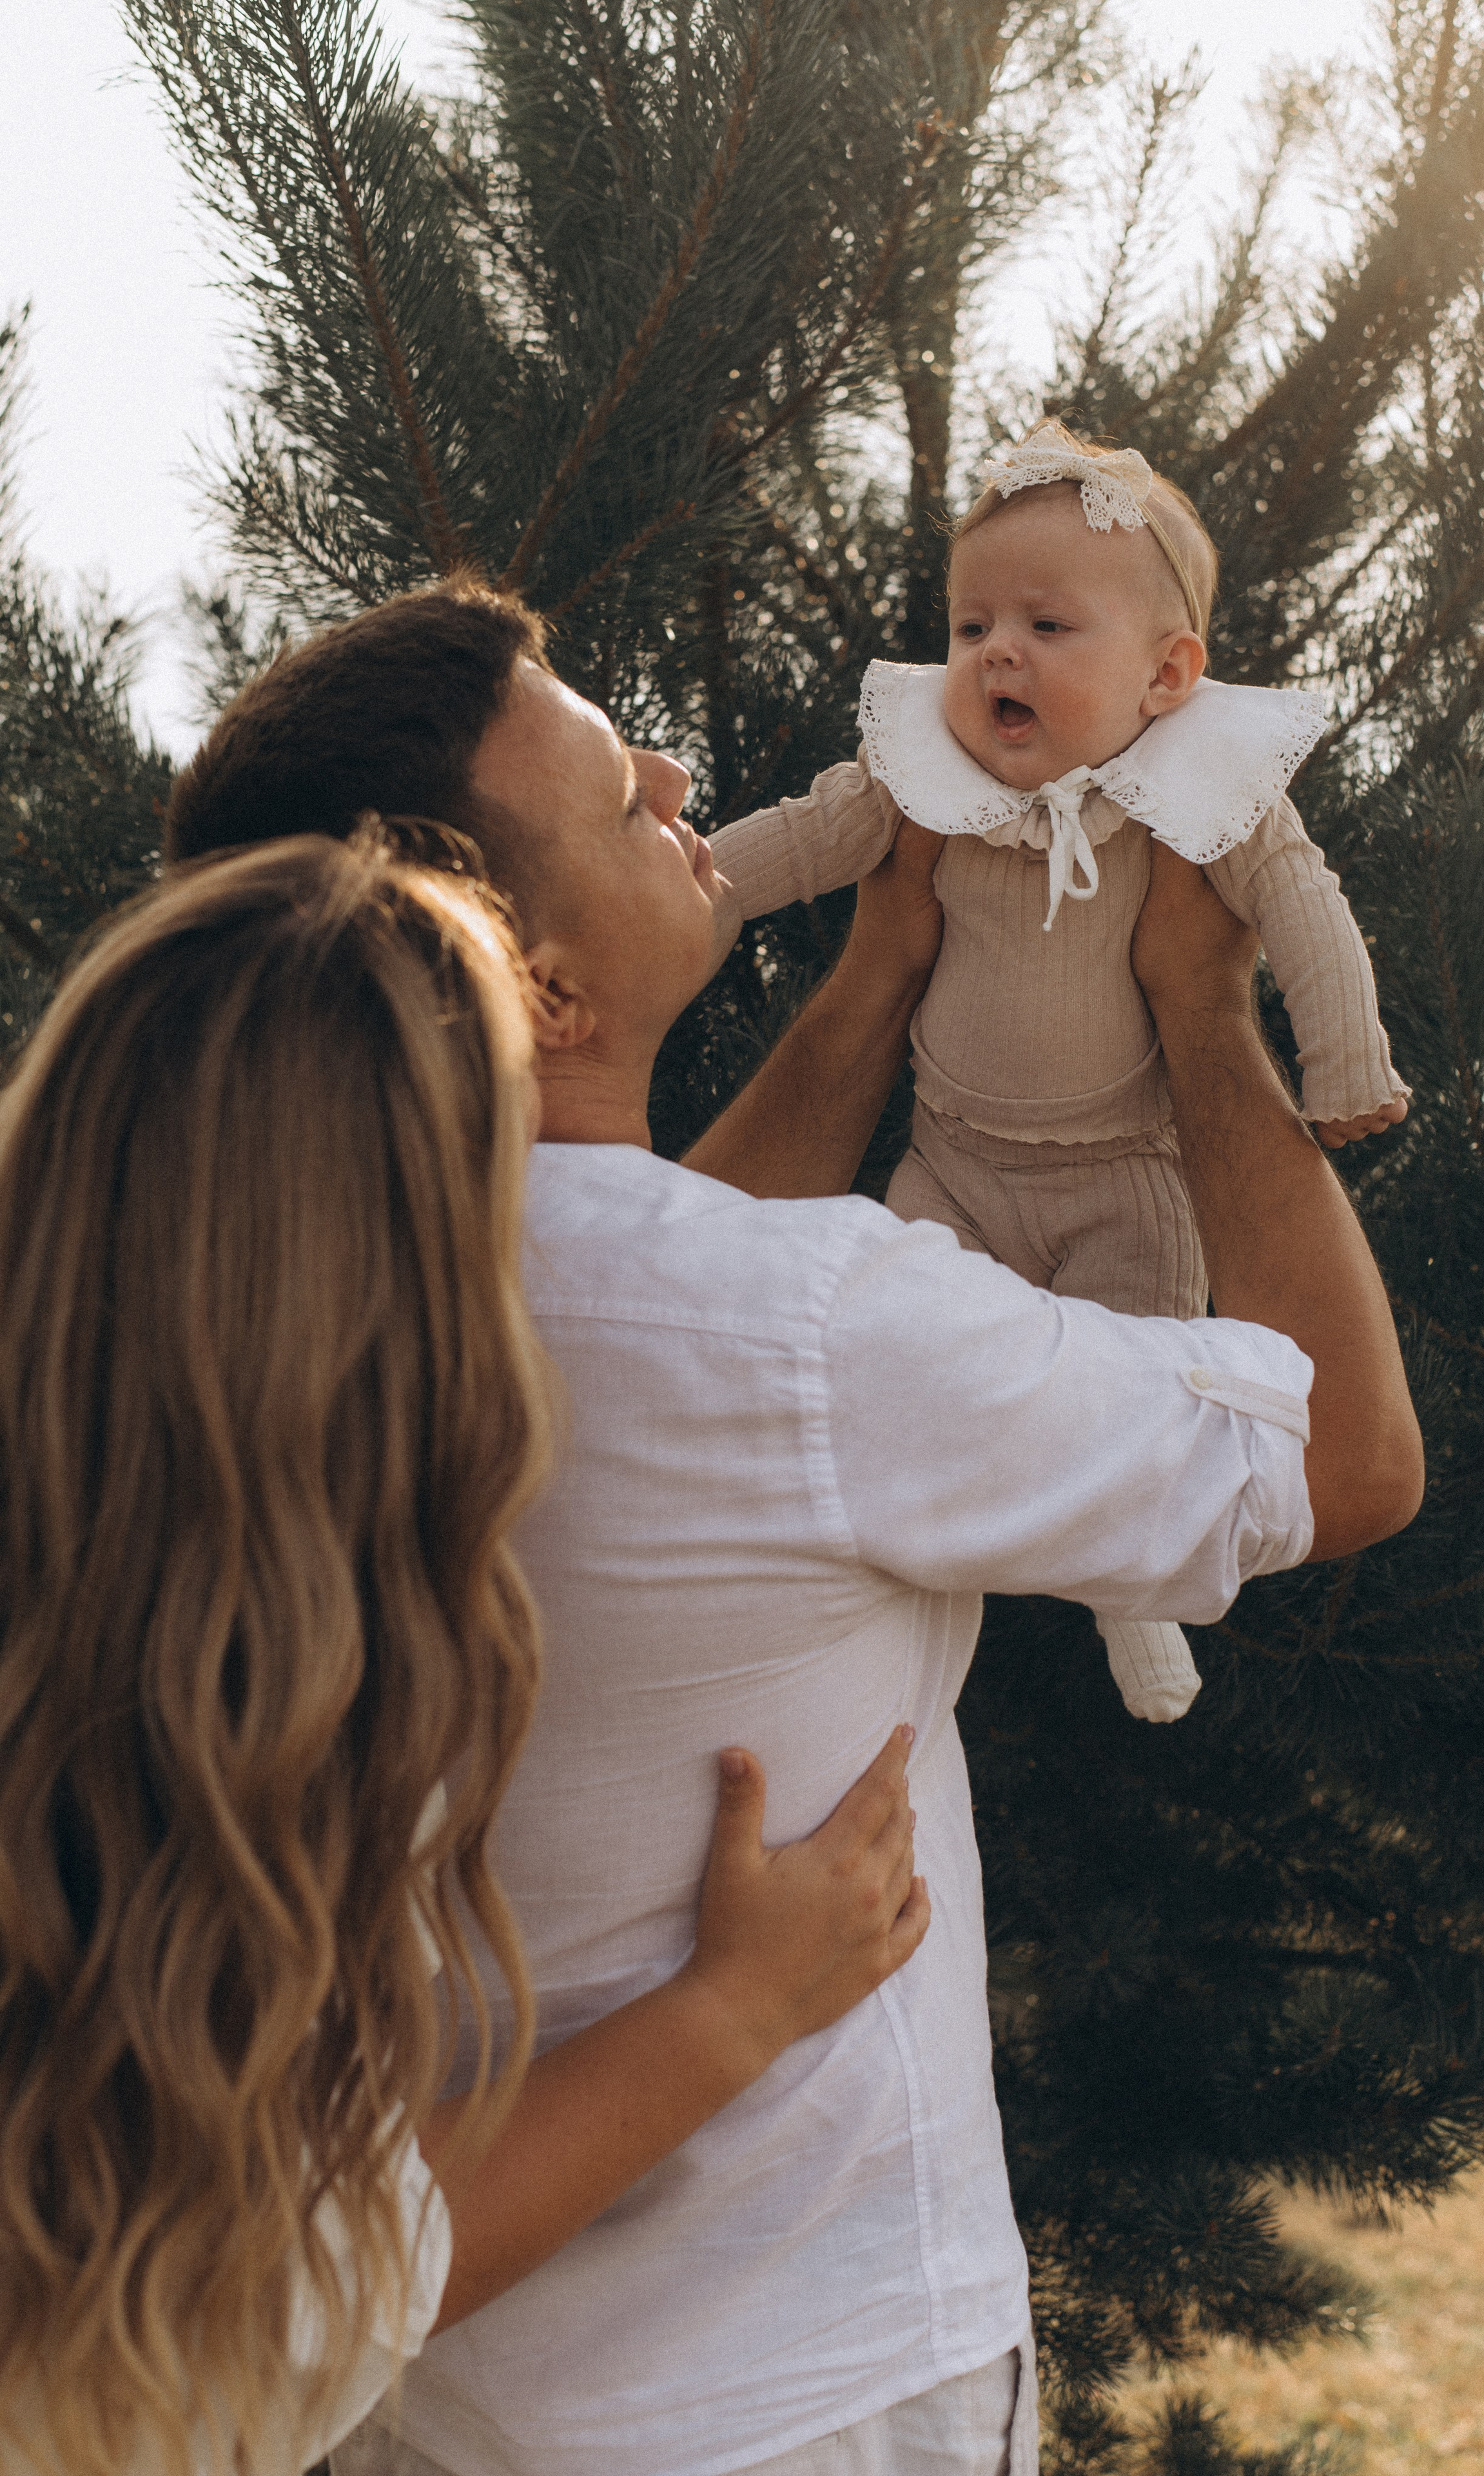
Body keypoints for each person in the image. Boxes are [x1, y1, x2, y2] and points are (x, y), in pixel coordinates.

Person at [167, 577, 1425, 2476]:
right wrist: (1199, 1007)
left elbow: (677, 1284)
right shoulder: (812, 1335)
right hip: (809, 2401)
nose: (674, 773)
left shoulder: (266, 1315)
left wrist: (877, 980)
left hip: (424, 2398)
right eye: (614, 792)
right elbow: (1342, 1461)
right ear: (544, 983)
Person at [0, 834, 929, 2476]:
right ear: (391, 1305)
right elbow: (238, 2325)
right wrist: (723, 2016)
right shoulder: (287, 1707)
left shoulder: (154, 1634)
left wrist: (864, 1001)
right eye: (516, 1186)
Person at [709, 419, 1411, 1729]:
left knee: (1144, 1378)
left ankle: (1131, 1603)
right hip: (954, 1162)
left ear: (1166, 674)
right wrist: (696, 900)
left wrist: (1343, 1066)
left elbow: (1304, 910)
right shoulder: (916, 781)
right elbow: (796, 842)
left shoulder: (1205, 797)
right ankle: (875, 1590)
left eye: (1044, 625)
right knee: (892, 1352)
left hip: (1124, 1176)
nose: (994, 656)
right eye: (970, 627)